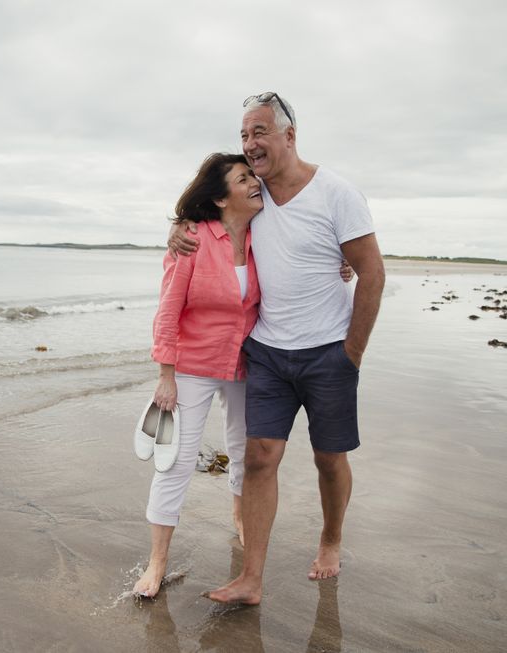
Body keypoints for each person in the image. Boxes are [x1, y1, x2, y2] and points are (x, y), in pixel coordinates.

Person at [169, 92, 385, 605]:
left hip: (329, 352)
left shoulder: (336, 193)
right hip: (266, 350)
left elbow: (372, 272)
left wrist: (351, 353)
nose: (250, 144)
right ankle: (251, 579)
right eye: (244, 135)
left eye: (259, 132)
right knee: (260, 457)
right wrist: (177, 227)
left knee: (329, 459)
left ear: (290, 135)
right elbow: (206, 212)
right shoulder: (253, 196)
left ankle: (331, 540)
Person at [133, 152, 263, 598]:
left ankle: (241, 518)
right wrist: (165, 374)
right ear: (222, 198)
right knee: (177, 463)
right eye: (243, 179)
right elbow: (168, 310)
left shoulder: (266, 235)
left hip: (246, 365)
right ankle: (156, 563)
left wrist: (340, 266)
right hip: (192, 366)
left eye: (253, 176)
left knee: (246, 454)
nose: (254, 184)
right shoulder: (192, 240)